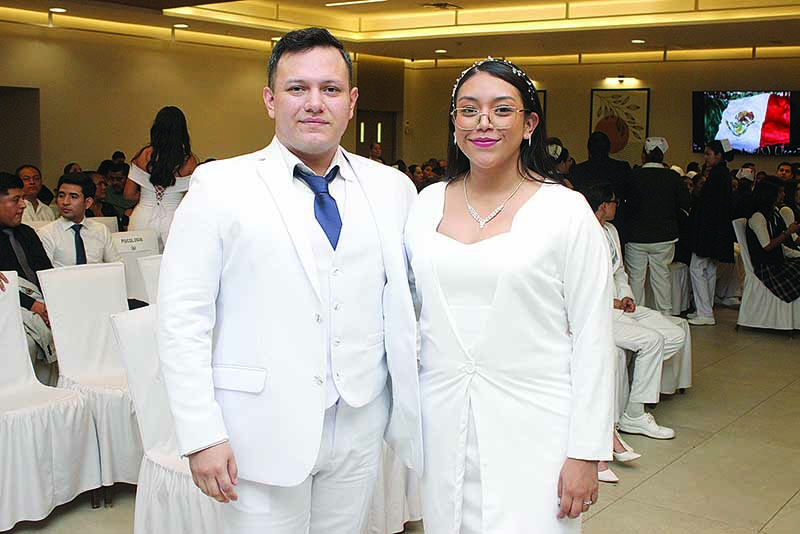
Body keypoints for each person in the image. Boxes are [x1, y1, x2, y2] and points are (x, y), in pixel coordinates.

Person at [158, 27, 422, 534]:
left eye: (330, 89)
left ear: (351, 102)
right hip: (256, 429)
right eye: (297, 88)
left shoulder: (392, 189)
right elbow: (182, 319)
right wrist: (200, 433)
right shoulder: (220, 186)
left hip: (360, 422)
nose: (314, 103)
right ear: (270, 99)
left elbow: (410, 300)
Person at [405, 57, 614, 533]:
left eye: (502, 110)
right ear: (454, 122)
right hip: (442, 417)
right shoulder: (425, 204)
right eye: (468, 110)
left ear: (529, 124)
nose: (484, 123)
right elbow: (407, 312)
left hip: (537, 422)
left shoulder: (565, 210)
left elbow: (593, 336)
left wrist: (586, 451)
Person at [0, 172, 57, 385]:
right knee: (28, 344)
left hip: (43, 302)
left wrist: (52, 303)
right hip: (13, 309)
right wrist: (35, 306)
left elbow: (46, 272)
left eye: (23, 198)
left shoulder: (27, 233)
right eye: (15, 200)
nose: (23, 205)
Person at [623, 137, 690, 315]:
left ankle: (636, 316)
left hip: (636, 236)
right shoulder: (673, 177)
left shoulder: (633, 175)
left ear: (643, 155)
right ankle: (665, 315)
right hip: (664, 235)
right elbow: (684, 203)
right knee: (662, 277)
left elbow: (625, 204)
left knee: (636, 279)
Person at [126, 106, 198, 250]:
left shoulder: (143, 155)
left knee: (139, 261)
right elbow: (193, 200)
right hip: (174, 221)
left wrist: (149, 199)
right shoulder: (188, 161)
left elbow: (128, 194)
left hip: (142, 218)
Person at [687, 140, 735, 326]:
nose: (705, 157)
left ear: (718, 155)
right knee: (710, 270)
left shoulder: (717, 176)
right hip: (717, 231)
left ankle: (704, 311)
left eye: (708, 154)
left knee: (697, 268)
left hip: (708, 231)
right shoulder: (723, 175)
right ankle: (705, 309)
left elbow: (708, 207)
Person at [37, 173, 120, 268]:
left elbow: (117, 265)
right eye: (61, 196)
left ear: (88, 202)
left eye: (73, 197)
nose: (65, 202)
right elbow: (46, 273)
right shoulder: (46, 233)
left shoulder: (101, 230)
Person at [746, 180, 800, 303]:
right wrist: (788, 232)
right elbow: (767, 246)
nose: (783, 195)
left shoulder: (774, 213)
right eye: (780, 192)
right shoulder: (758, 217)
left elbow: (780, 247)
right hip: (767, 266)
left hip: (777, 261)